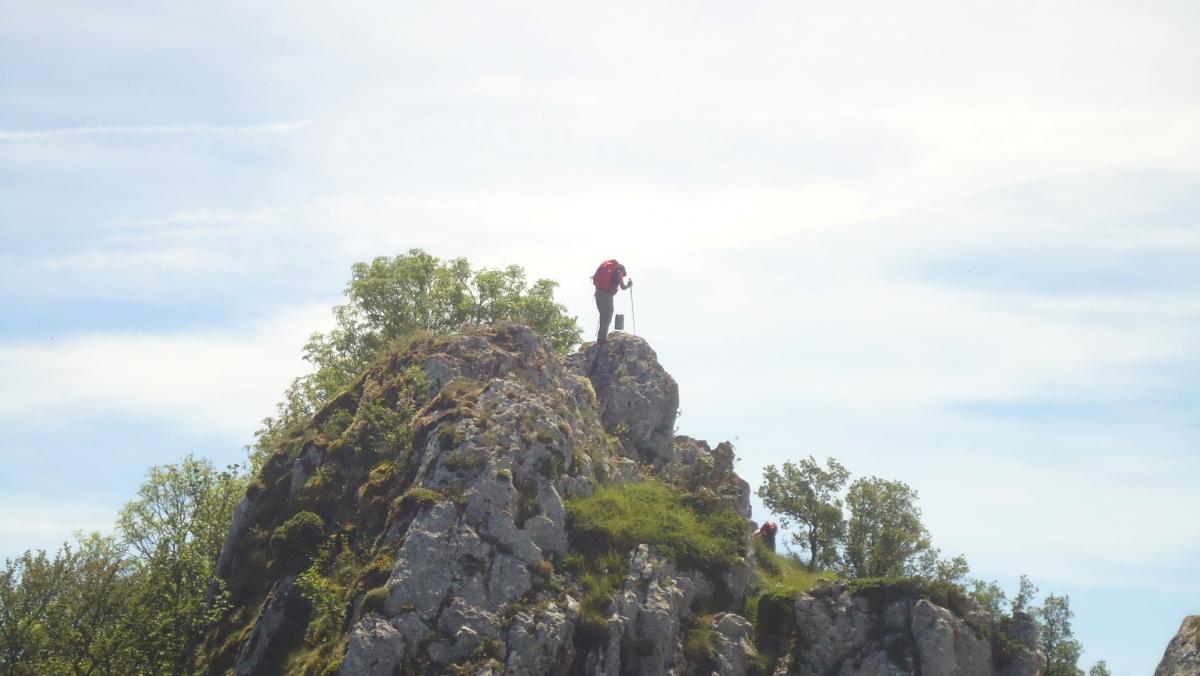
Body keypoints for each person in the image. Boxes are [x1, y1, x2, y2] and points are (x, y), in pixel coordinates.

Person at [592, 259, 632, 344]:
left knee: (603, 315)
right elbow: (623, 287)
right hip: (607, 295)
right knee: (607, 315)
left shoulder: (608, 269)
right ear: (622, 270)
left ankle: (601, 337)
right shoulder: (618, 272)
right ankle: (602, 339)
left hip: (598, 293)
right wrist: (629, 285)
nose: (623, 276)